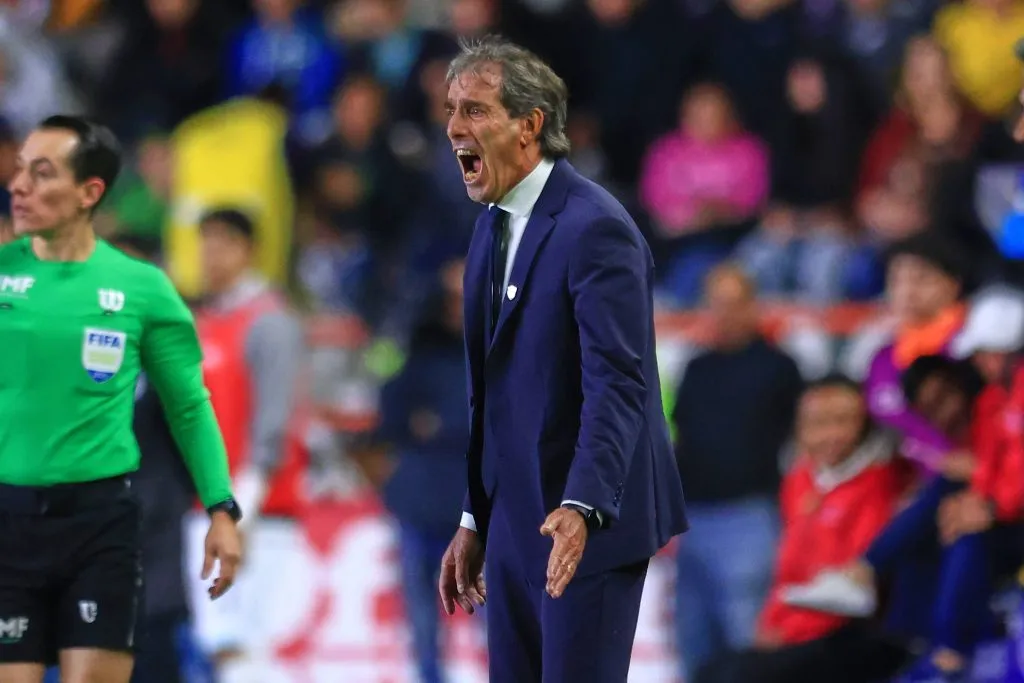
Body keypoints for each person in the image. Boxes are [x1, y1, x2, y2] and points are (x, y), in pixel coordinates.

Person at [436, 36, 688, 683]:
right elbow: (489, 394)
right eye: (451, 108)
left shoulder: (596, 227)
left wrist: (582, 508)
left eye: (474, 110)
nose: (453, 127)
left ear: (529, 125)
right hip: (517, 519)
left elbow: (620, 383)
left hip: (586, 525)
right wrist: (474, 515)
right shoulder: (490, 225)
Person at [0, 114, 242, 683]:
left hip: (101, 526)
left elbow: (188, 405)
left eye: (41, 174)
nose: (18, 187)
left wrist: (221, 508)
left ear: (90, 193)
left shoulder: (141, 288)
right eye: (18, 173)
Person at [695, 375, 912, 683]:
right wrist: (772, 624)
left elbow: (852, 588)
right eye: (819, 423)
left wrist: (788, 633)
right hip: (798, 628)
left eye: (843, 421)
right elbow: (789, 570)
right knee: (708, 672)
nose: (832, 435)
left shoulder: (879, 483)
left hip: (848, 631)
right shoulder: (800, 480)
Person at [184, 207, 306, 683]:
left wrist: (242, 510)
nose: (210, 255)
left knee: (247, 645)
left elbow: (273, 420)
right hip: (206, 506)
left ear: (248, 249)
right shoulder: (204, 321)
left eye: (222, 243)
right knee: (220, 643)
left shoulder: (268, 322)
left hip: (256, 512)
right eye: (204, 243)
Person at [671, 263, 801, 680]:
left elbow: (800, 444)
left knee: (747, 644)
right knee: (695, 644)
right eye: (715, 304)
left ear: (753, 306)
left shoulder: (780, 366)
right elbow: (682, 440)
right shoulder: (695, 367)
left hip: (751, 515)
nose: (724, 314)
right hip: (692, 520)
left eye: (733, 303)